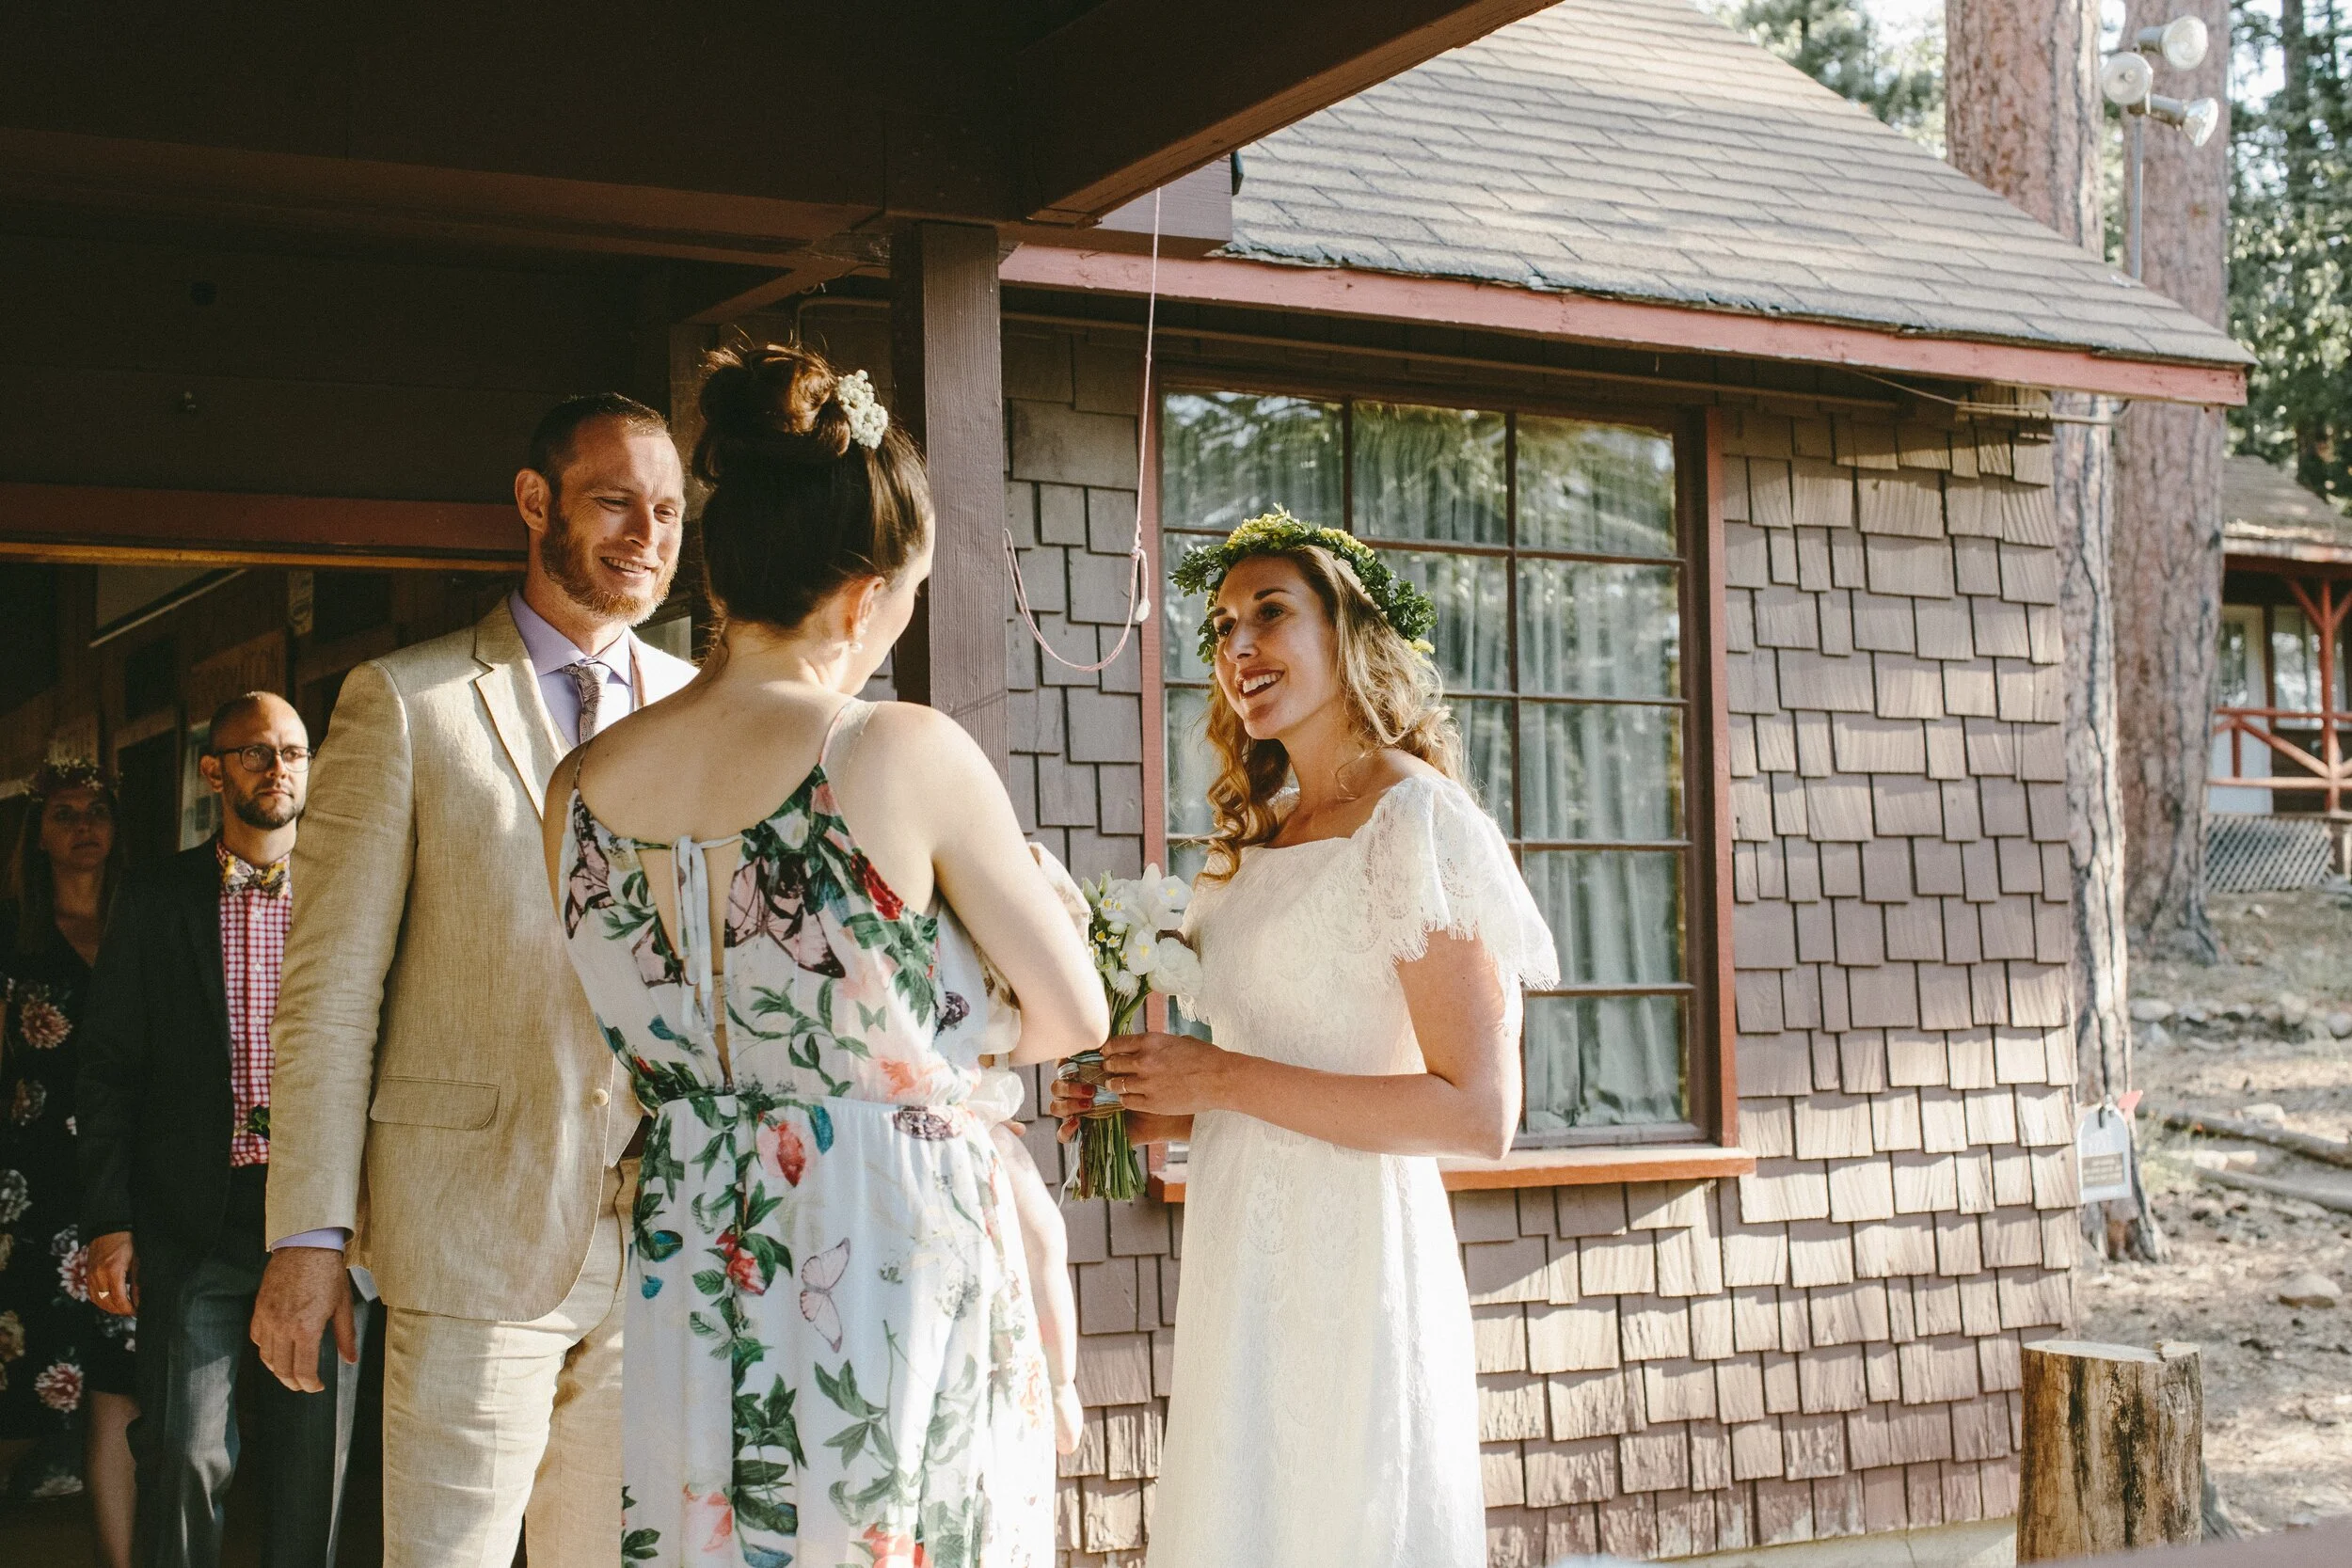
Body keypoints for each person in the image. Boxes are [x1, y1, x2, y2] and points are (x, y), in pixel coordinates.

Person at [544, 342, 1104, 1566]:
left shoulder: (576, 785)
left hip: (696, 1228)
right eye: (908, 595)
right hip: (881, 1237)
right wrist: (961, 1017)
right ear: (863, 597)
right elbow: (1075, 1010)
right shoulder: (892, 748)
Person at [1052, 513, 1559, 1568]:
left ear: (1348, 632)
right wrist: (1153, 1107)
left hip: (1355, 1262)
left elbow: (1478, 1111)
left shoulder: (1414, 822)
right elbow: (1277, 1071)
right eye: (1222, 627)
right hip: (1241, 1254)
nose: (1239, 646)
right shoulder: (1256, 837)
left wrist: (1220, 1076)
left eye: (1270, 613)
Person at [251, 392, 695, 1567]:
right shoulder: (406, 701)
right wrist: (309, 1232)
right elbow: (328, 992)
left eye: (667, 511)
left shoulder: (706, 708)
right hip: (469, 1234)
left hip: (668, 1238)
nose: (646, 534)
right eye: (615, 502)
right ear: (535, 501)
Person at [79, 692, 368, 1567]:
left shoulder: (350, 888)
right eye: (255, 753)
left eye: (293, 752)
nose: (278, 769)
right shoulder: (156, 895)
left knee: (311, 1470)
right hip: (192, 1217)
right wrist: (110, 1219)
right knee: (186, 1454)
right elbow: (108, 1065)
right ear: (212, 771)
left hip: (319, 1214)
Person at [0, 759, 136, 1555]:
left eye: (97, 811)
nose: (84, 826)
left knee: (122, 1378)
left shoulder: (143, 920)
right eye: (65, 814)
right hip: (36, 1182)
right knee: (28, 1376)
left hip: (126, 1178)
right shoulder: (13, 931)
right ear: (39, 834)